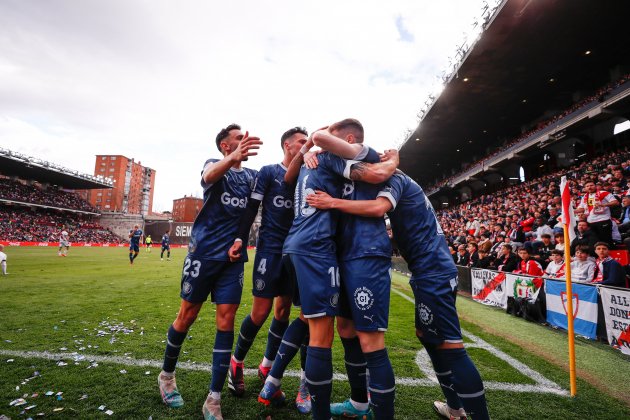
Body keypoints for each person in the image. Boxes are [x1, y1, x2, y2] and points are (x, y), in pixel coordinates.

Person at [306, 171, 490, 420]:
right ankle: (455, 408)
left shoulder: (395, 179)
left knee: (450, 346)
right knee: (427, 337)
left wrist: (331, 202)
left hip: (433, 271)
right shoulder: (401, 182)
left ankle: (475, 415)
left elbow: (378, 207)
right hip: (427, 271)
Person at [261, 120, 399, 420]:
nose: (328, 145)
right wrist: (313, 145)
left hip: (310, 247)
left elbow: (289, 174)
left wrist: (310, 149)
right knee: (321, 334)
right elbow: (375, 173)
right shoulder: (330, 157)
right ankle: (311, 404)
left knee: (321, 323)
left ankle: (275, 376)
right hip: (316, 248)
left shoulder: (327, 158)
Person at [157, 123, 262, 420]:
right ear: (225, 146)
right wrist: (230, 159)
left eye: (245, 138)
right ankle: (166, 376)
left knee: (226, 322)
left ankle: (213, 399)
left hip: (232, 259)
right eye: (238, 139)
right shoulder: (215, 165)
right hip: (203, 255)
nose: (244, 142)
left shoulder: (253, 177)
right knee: (186, 316)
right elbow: (208, 175)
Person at [224, 127, 312, 413]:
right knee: (260, 312)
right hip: (270, 250)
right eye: (301, 141)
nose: (305, 144)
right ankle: (236, 363)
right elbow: (251, 208)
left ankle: (266, 366)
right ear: (288, 145)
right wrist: (240, 236)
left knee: (283, 311)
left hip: (294, 252)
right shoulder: (268, 171)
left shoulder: (304, 172)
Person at [578, 181, 619, 246]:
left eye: (591, 185)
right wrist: (571, 211)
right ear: (585, 188)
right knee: (594, 241)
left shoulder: (603, 193)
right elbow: (581, 208)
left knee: (606, 241)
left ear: (595, 186)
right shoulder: (585, 197)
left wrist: (603, 205)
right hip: (590, 222)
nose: (589, 187)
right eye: (587, 186)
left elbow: (616, 202)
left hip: (603, 220)